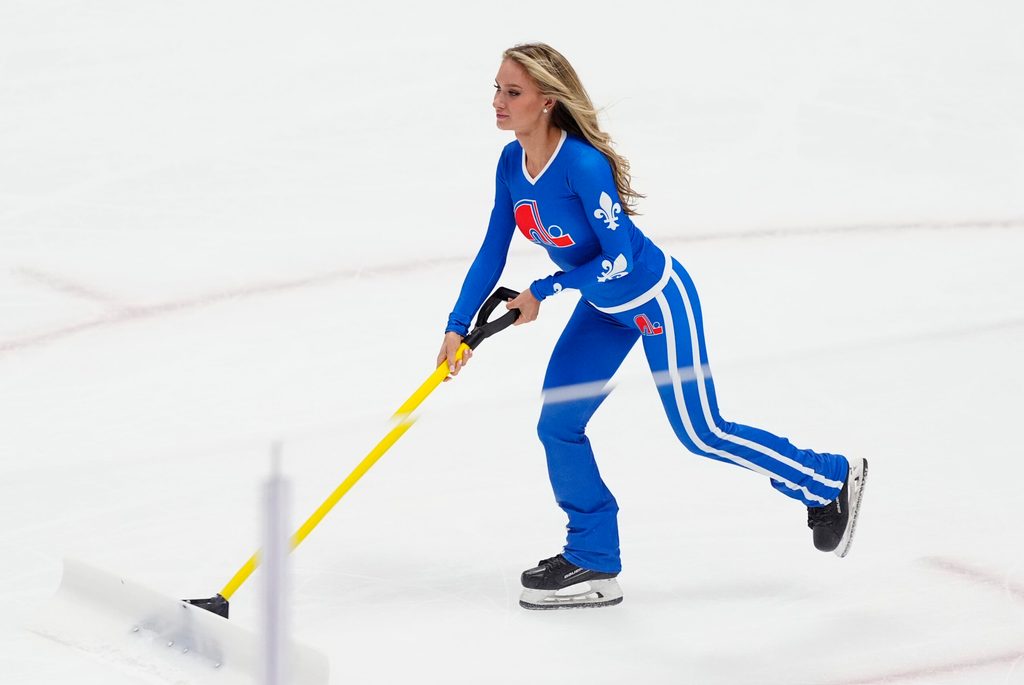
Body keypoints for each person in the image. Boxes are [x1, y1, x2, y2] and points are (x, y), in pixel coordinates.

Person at [438, 43, 868, 610]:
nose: (497, 100)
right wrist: (457, 325)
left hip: (656, 300)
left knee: (701, 430)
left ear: (547, 101)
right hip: (602, 309)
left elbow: (618, 256)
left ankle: (825, 479)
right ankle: (592, 558)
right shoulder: (509, 165)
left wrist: (546, 289)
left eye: (512, 91)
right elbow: (492, 249)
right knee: (558, 425)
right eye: (496, 88)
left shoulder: (582, 165)